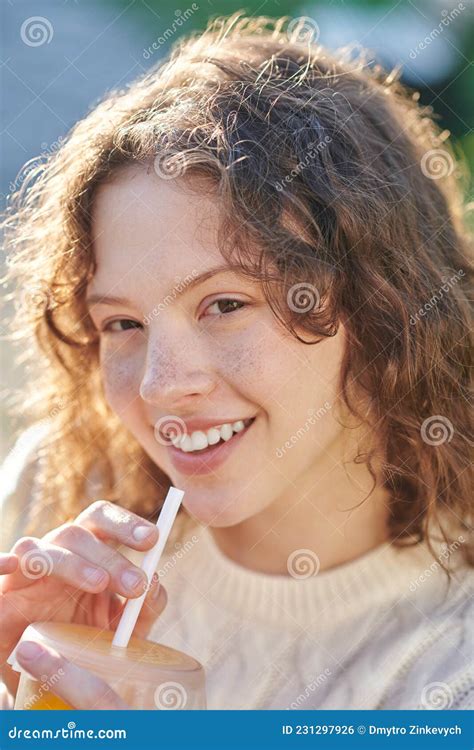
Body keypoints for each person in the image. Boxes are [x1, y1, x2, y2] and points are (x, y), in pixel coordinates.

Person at [1, 13, 472, 711]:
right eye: (121, 323)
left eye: (224, 305)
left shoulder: (448, 663)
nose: (162, 386)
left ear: (382, 302)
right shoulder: (56, 493)